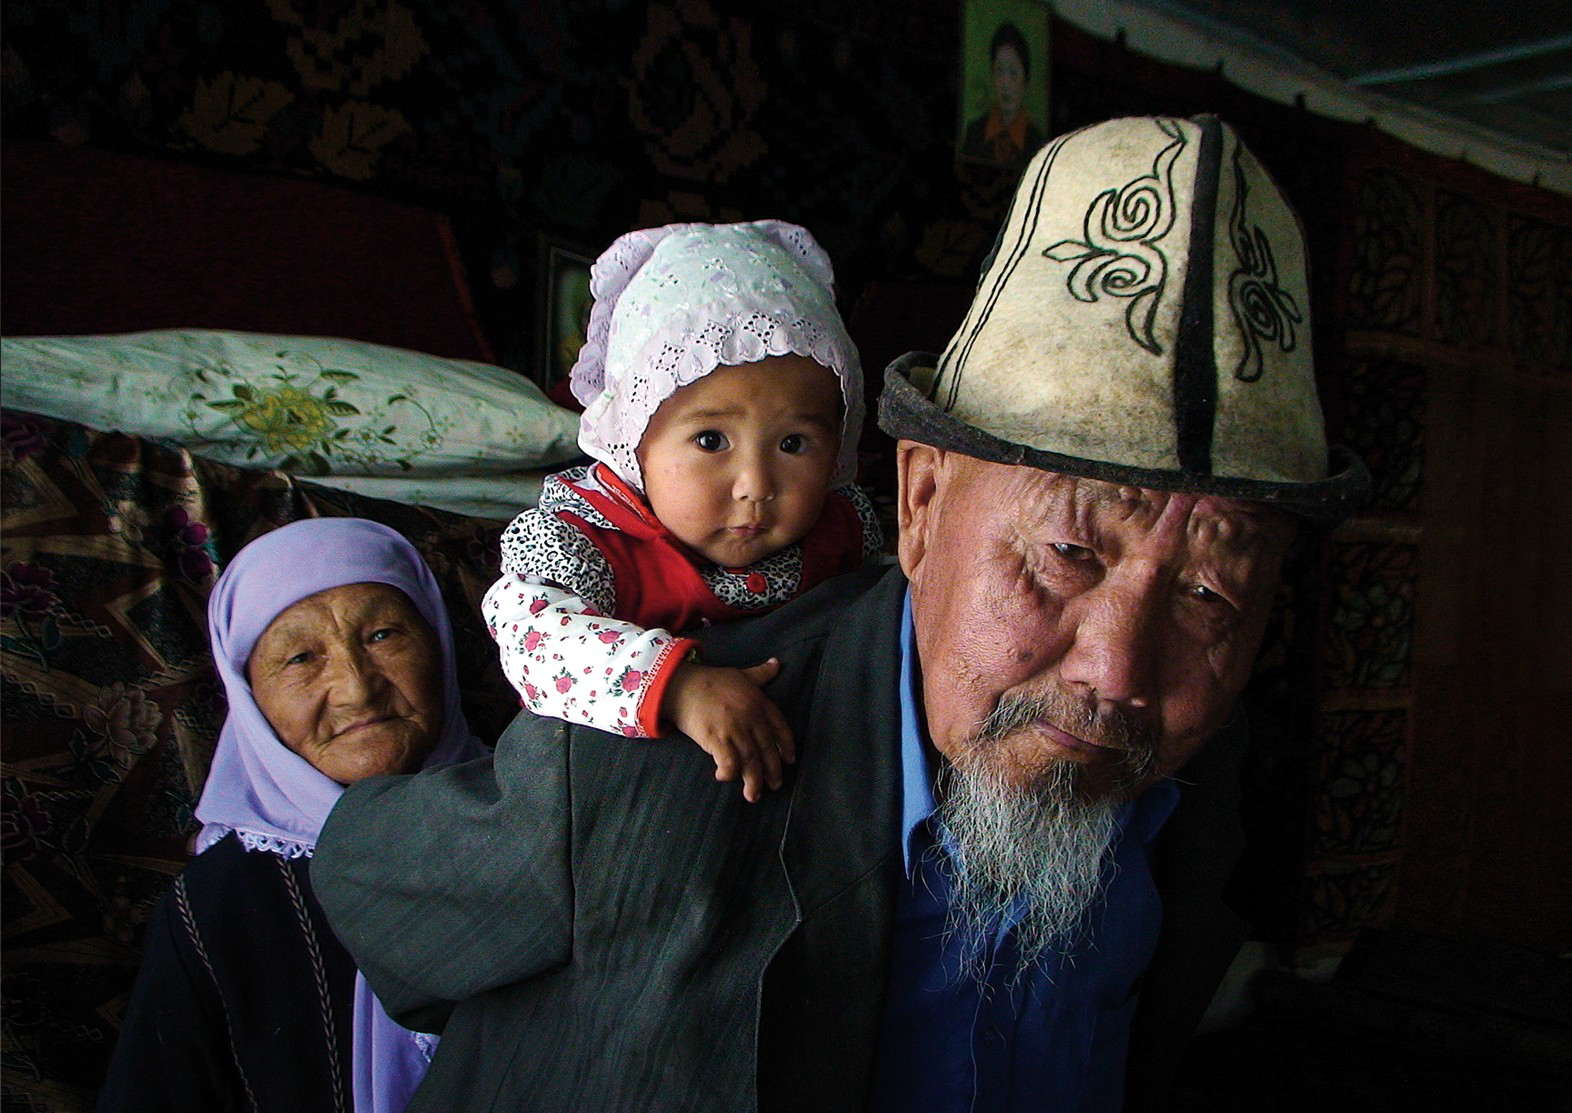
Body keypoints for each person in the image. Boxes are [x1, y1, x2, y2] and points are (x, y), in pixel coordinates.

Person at [312, 116, 1368, 1112]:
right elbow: (370, 887)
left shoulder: (1199, 788)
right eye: (1068, 555)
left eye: (1207, 594)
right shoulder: (646, 769)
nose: (1118, 672)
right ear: (921, 502)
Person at [97, 518, 488, 1113]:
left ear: (438, 645)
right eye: (302, 657)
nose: (356, 688)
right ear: (250, 696)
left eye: (383, 635)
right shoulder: (225, 900)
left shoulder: (540, 821)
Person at [482, 221, 880, 801]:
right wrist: (679, 689)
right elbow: (530, 638)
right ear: (632, 441)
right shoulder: (588, 540)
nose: (755, 486)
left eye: (793, 444)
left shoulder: (841, 527)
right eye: (711, 441)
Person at [961, 22, 1047, 167]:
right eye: (999, 71)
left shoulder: (1037, 143)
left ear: (1025, 80)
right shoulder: (974, 133)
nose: (1005, 83)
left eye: (1013, 73)